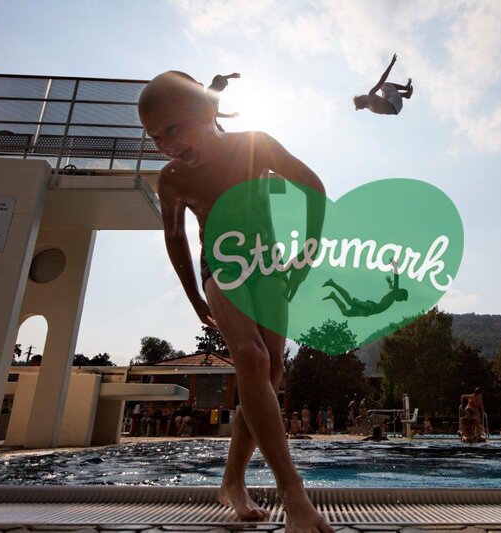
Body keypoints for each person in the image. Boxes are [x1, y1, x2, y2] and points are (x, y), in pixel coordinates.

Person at [138, 71, 331, 531]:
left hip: (268, 265)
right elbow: (175, 238)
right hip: (220, 266)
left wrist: (307, 253)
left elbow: (314, 188)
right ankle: (293, 493)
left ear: (207, 112)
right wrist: (193, 294)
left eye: (173, 129)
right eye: (156, 138)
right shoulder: (172, 178)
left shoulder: (255, 146)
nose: (167, 145)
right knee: (250, 355)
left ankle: (231, 481)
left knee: (269, 371)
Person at [322, 260, 408, 317]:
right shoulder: (395, 292)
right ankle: (333, 284)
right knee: (350, 302)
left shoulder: (392, 293)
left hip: (368, 312)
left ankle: (334, 296)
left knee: (346, 313)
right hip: (370, 307)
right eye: (402, 298)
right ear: (400, 292)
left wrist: (389, 283)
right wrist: (395, 266)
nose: (400, 301)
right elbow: (396, 278)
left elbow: (391, 288)